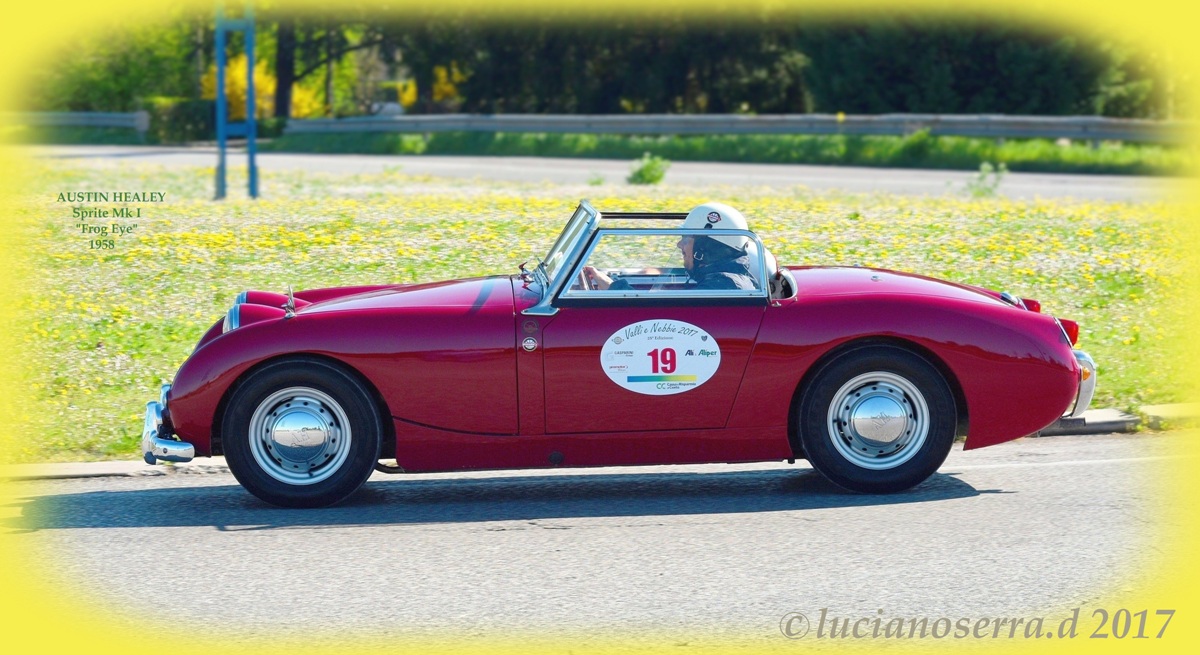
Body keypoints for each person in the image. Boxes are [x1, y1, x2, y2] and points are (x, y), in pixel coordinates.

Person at [584, 202, 758, 291]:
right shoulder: (721, 280)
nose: (679, 244)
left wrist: (614, 288)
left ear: (704, 248)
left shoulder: (722, 286)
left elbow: (658, 319)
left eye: (686, 238)